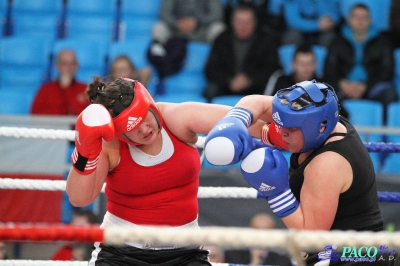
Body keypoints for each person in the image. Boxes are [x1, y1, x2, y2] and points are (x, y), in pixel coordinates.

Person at [65, 77, 252, 265]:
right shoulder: (110, 143)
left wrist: (274, 131)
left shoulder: (177, 116)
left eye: (144, 117)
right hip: (120, 251)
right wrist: (84, 153)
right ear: (118, 131)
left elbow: (244, 118)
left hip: (185, 251)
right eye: (133, 128)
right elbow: (79, 198)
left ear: (149, 103)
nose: (144, 129)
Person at [204, 80, 386, 265]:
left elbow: (311, 237)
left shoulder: (326, 164)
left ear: (320, 127)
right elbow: (257, 102)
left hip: (356, 255)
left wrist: (277, 192)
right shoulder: (325, 121)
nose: (281, 132)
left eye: (290, 128)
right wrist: (236, 119)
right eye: (281, 123)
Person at [324, 4, 398, 123]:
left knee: (388, 94)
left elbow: (387, 71)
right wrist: (342, 83)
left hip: (371, 87)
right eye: (356, 17)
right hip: (343, 87)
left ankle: (385, 137)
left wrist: (365, 86)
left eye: (364, 17)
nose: (360, 21)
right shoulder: (337, 41)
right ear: (348, 19)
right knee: (323, 94)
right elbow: (329, 69)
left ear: (370, 20)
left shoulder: (383, 42)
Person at [203, 5, 281, 102]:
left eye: (248, 22)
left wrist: (250, 80)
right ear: (232, 22)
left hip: (255, 87)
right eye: (239, 22)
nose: (243, 26)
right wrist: (229, 81)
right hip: (226, 85)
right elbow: (211, 68)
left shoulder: (266, 40)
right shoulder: (221, 39)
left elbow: (273, 68)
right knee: (210, 91)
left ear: (255, 23)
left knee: (270, 94)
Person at [31, 49, 90, 115]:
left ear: (77, 66)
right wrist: (66, 111)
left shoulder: (85, 89)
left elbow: (84, 116)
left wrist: (66, 88)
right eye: (64, 63)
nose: (68, 67)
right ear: (57, 66)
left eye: (72, 63)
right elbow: (35, 115)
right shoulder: (45, 89)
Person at [224, 213, 292, 266]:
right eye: (257, 230)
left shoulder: (283, 261)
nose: (260, 235)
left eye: (266, 231)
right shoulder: (232, 256)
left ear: (273, 234)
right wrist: (254, 263)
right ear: (249, 230)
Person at [151, 0, 225, 44]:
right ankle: (159, 62)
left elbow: (217, 15)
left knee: (218, 29)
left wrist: (197, 22)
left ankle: (218, 64)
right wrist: (177, 23)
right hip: (177, 31)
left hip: (202, 30)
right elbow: (164, 14)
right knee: (159, 28)